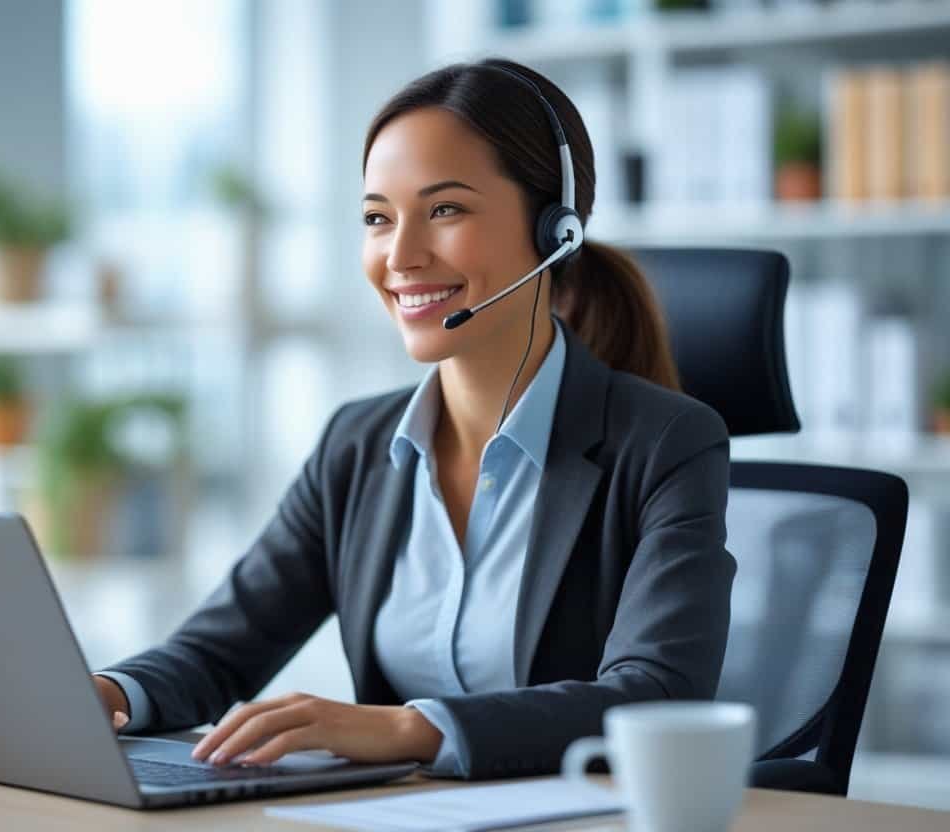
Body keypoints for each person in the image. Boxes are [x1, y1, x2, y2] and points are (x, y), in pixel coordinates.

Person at [92, 57, 735, 780]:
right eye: (377, 218)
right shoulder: (357, 446)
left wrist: (411, 729)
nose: (399, 256)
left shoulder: (667, 444)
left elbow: (654, 696)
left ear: (554, 229)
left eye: (445, 210)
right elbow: (219, 650)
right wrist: (107, 693)